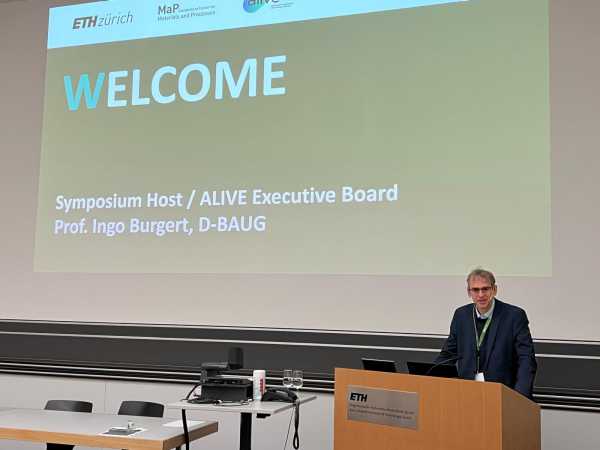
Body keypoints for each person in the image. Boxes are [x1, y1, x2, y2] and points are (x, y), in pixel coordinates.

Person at [435, 268, 537, 398]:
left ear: (494, 290)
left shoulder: (514, 316)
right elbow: (448, 354)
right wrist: (430, 378)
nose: (481, 294)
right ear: (469, 292)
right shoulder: (461, 315)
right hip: (467, 393)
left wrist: (518, 397)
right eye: (475, 290)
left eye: (485, 289)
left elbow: (526, 359)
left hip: (503, 394)